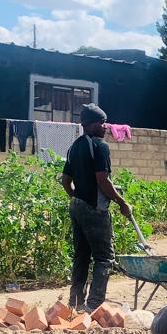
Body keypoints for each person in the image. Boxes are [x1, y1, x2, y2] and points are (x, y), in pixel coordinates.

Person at [61, 103, 132, 312]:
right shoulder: (100, 146)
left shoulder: (74, 146)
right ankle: (93, 306)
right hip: (95, 210)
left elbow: (66, 181)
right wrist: (122, 202)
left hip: (76, 206)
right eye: (101, 123)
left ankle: (75, 302)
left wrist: (78, 198)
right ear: (90, 125)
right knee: (104, 258)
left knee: (81, 255)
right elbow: (103, 181)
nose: (105, 127)